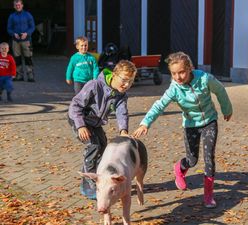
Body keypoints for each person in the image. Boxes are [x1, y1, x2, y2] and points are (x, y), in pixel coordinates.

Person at [132, 52, 233, 208]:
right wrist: (145, 123)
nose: (178, 77)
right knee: (192, 160)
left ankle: (208, 195)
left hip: (209, 121)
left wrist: (226, 109)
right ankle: (179, 168)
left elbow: (220, 90)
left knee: (209, 157)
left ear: (190, 68)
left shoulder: (204, 79)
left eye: (181, 72)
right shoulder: (174, 89)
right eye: (173, 74)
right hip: (190, 125)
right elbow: (159, 105)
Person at [68, 60, 137, 199]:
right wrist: (80, 125)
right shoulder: (95, 85)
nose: (126, 85)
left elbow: (121, 112)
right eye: (124, 80)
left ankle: (101, 179)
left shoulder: (121, 95)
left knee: (104, 147)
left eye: (130, 82)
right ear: (114, 75)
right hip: (79, 119)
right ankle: (88, 183)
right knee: (93, 146)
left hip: (95, 124)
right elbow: (75, 105)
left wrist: (123, 130)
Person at [7, 0, 35, 82]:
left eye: (19, 5)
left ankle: (30, 76)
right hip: (15, 40)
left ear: (22, 5)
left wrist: (27, 33)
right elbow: (9, 28)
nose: (17, 6)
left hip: (26, 40)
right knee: (17, 58)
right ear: (14, 6)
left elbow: (32, 26)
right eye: (16, 5)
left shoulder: (28, 15)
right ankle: (19, 76)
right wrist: (13, 34)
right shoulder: (12, 16)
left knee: (28, 58)